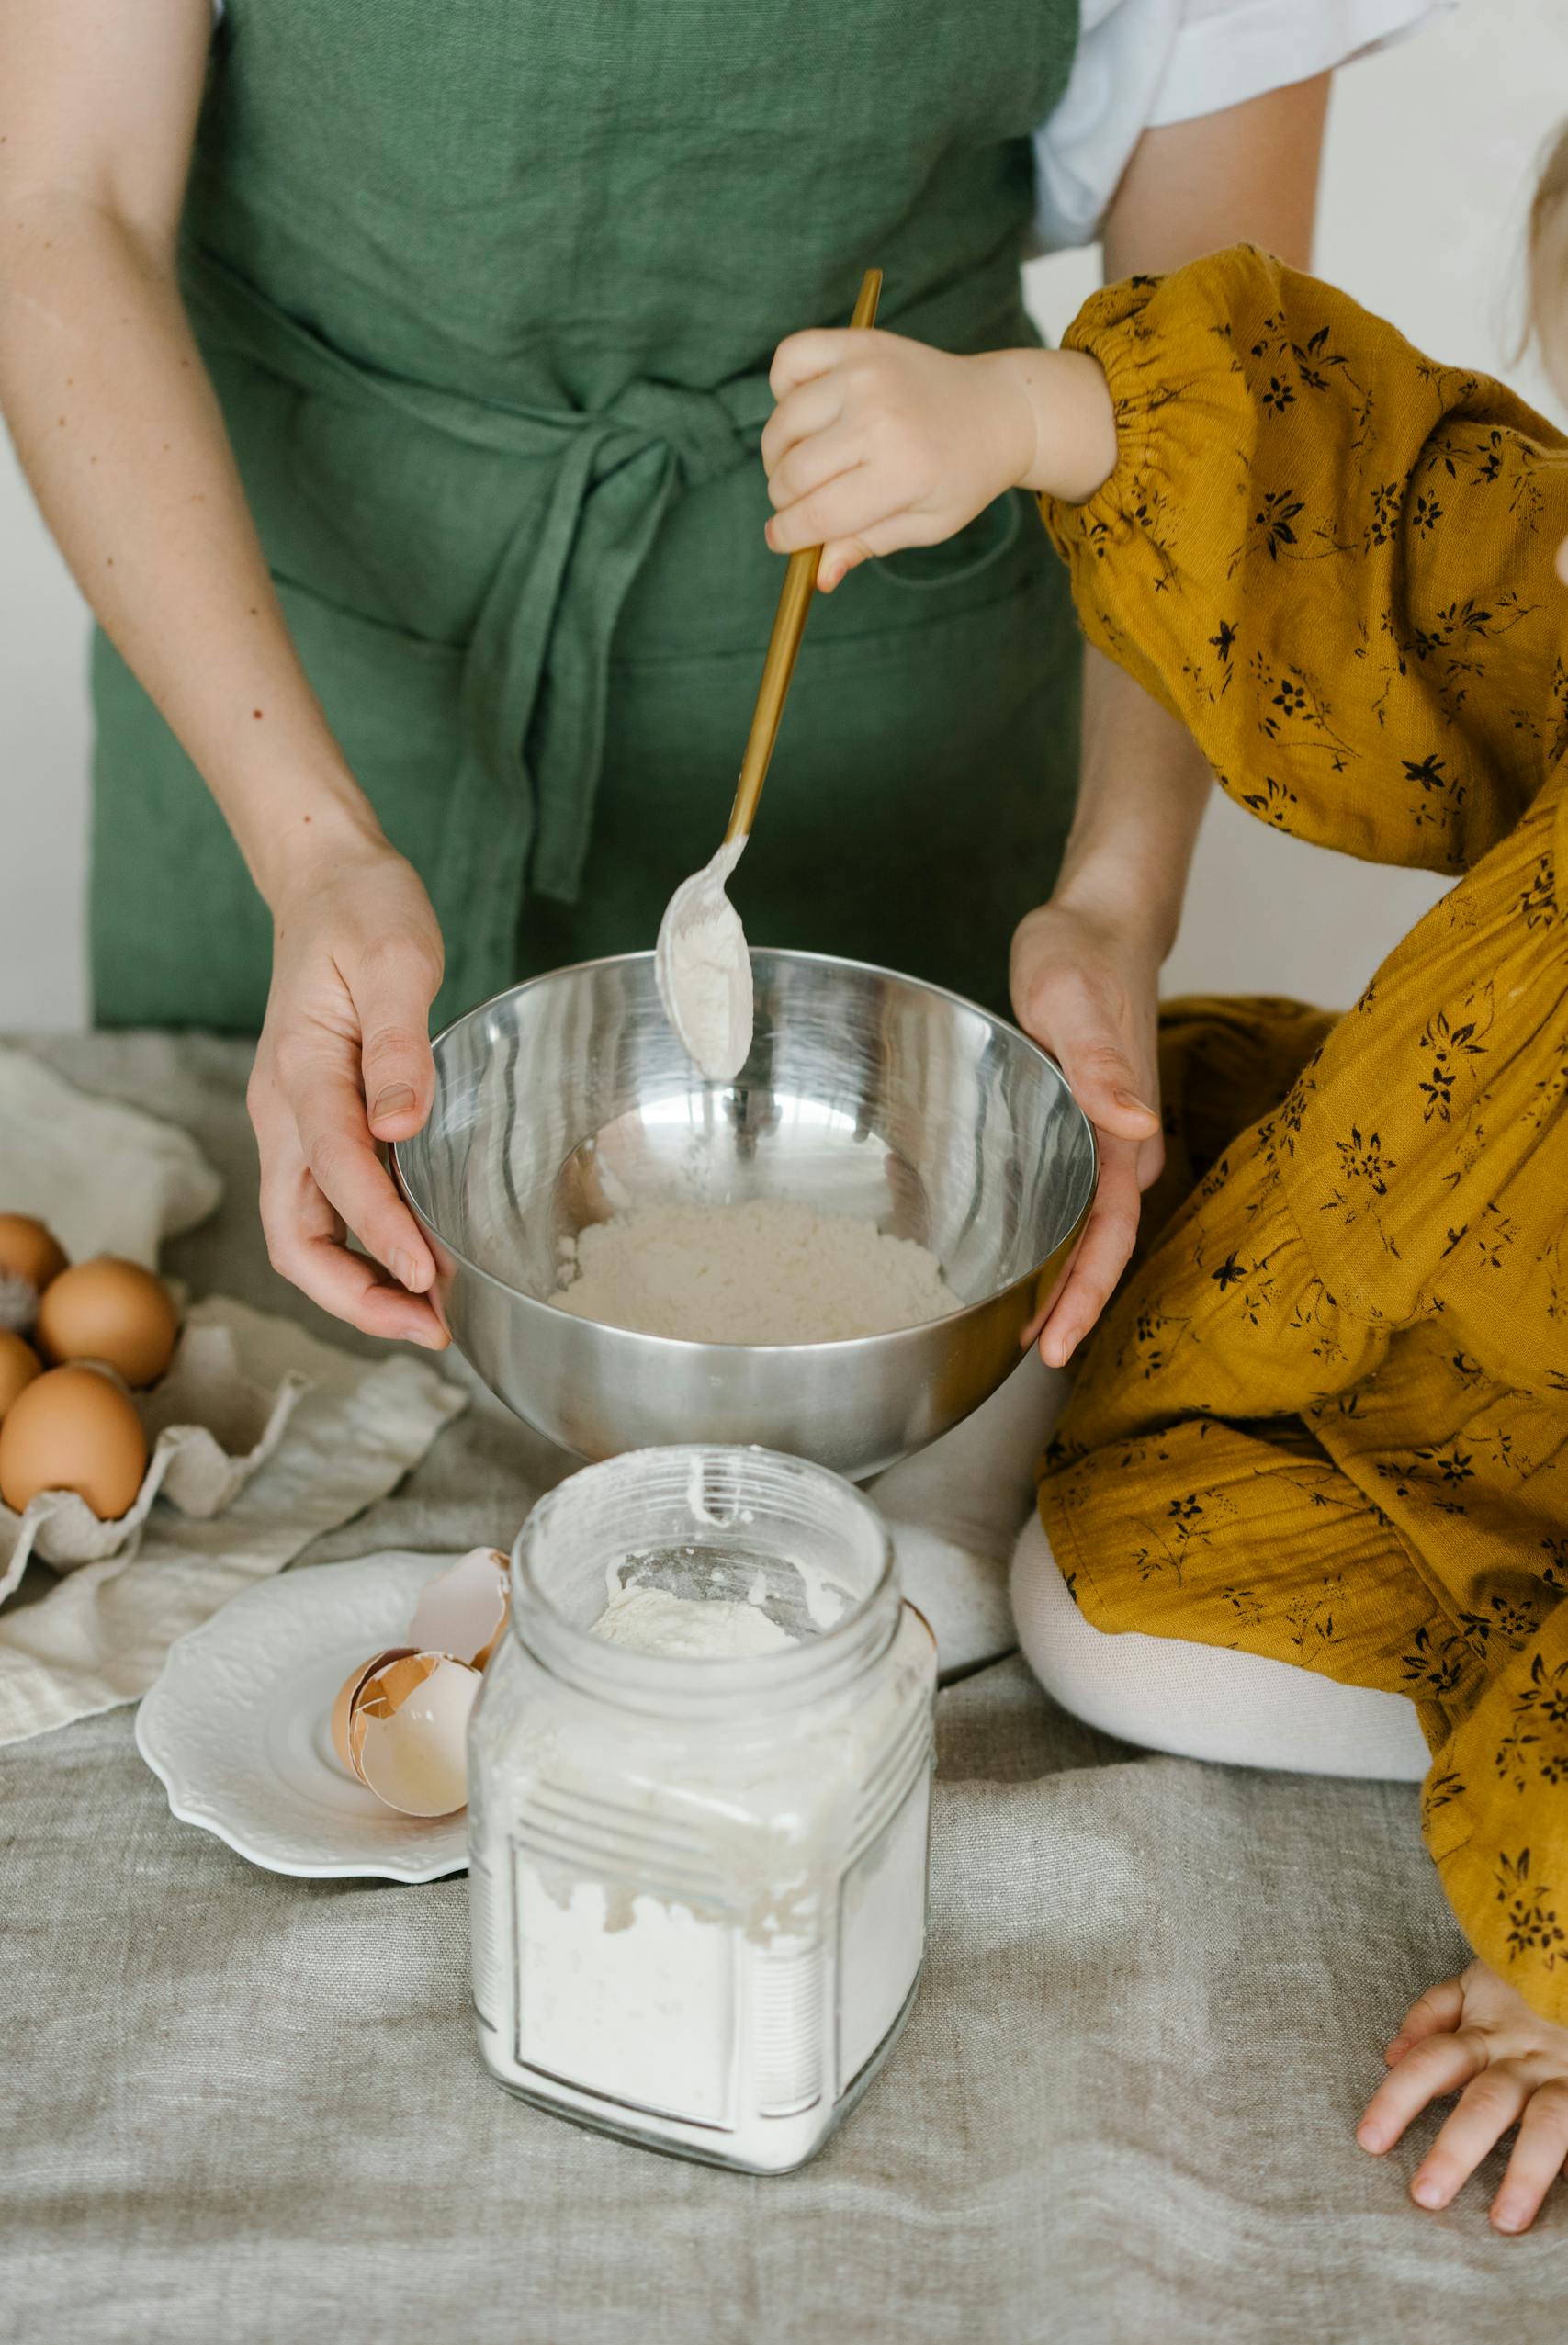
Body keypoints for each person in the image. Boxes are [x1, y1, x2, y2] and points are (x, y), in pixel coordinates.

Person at [0, 2, 1433, 1351]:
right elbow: (63, 206)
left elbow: (1220, 379)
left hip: (884, 704)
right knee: (245, 1315)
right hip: (300, 665)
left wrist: (1121, 896)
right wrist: (311, 851)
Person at [758, 138, 1568, 2230]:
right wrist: (1031, 415)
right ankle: (969, 1457)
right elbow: (1397, 516)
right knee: (1135, 1129)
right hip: (1396, 1232)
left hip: (1528, 1475)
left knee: (1107, 1626)